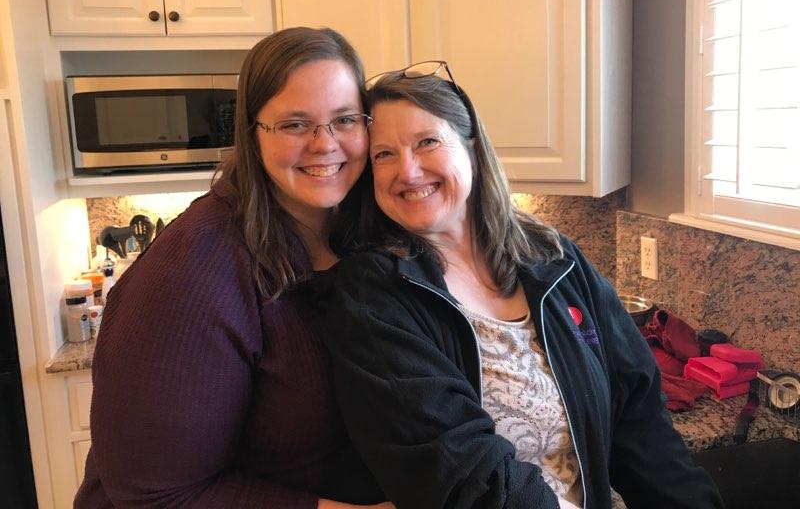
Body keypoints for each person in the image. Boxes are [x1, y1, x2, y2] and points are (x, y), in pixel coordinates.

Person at [316, 62, 724, 509]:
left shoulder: (555, 258)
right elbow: (464, 475)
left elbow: (640, 419)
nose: (408, 171)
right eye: (383, 155)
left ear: (471, 149)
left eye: (427, 141)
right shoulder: (373, 296)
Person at [74, 27, 393, 509]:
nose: (325, 144)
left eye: (344, 119)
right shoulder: (191, 271)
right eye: (294, 124)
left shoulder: (364, 233)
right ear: (251, 133)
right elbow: (156, 494)